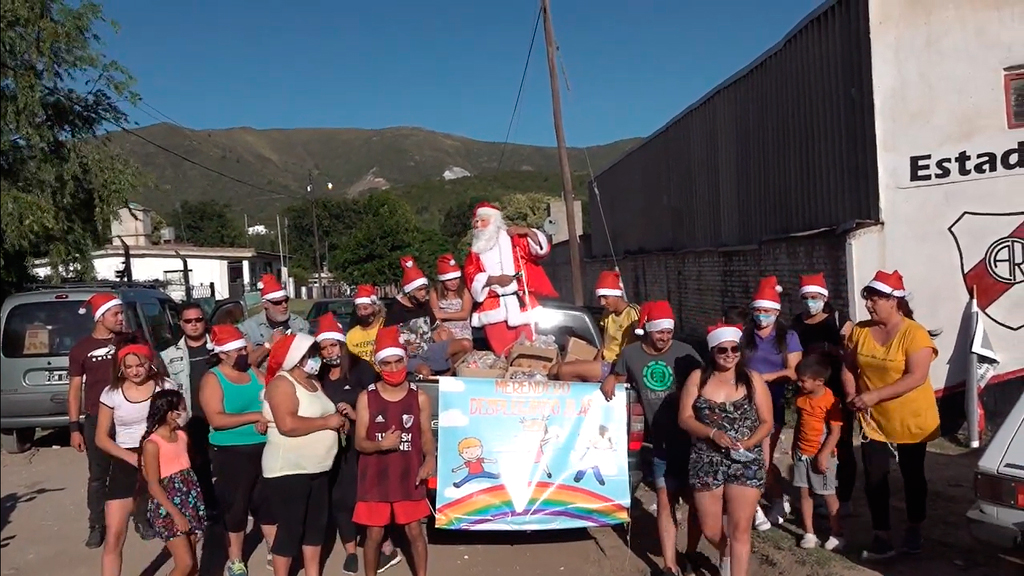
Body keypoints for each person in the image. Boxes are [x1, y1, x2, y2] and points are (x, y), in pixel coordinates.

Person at [841, 270, 940, 560]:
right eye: (868, 299)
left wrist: (872, 395)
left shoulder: (914, 333)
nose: (869, 305)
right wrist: (851, 395)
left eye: (875, 300)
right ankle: (881, 533)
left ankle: (914, 525)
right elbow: (848, 366)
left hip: (911, 417)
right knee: (874, 475)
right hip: (874, 420)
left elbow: (916, 377)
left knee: (912, 474)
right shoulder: (860, 331)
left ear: (893, 301)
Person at [600, 301, 704, 576]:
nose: (665, 338)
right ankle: (670, 565)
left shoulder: (686, 353)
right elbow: (619, 374)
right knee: (665, 499)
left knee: (696, 502)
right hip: (661, 443)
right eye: (660, 333)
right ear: (647, 330)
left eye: (669, 333)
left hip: (692, 442)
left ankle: (691, 552)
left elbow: (707, 382)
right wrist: (611, 379)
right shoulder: (630, 353)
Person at [679, 323, 774, 576]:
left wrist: (750, 443)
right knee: (711, 529)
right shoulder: (698, 378)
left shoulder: (753, 379)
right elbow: (685, 418)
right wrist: (711, 433)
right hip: (706, 460)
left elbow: (767, 422)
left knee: (740, 530)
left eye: (735, 349)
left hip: (745, 460)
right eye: (723, 350)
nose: (730, 354)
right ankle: (726, 553)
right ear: (712, 351)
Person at [314, 314, 402, 575]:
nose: (330, 351)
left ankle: (384, 546)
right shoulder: (320, 374)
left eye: (333, 345)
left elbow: (380, 403)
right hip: (334, 447)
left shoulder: (362, 369)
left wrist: (355, 415)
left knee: (365, 496)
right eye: (324, 347)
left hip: (362, 442)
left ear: (342, 344)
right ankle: (351, 551)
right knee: (340, 498)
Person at [353, 326, 435, 576]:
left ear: (406, 360)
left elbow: (426, 437)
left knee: (414, 532)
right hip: (375, 477)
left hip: (408, 475)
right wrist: (380, 445)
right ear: (378, 366)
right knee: (374, 535)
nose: (392, 368)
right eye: (386, 364)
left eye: (397, 361)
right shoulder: (366, 397)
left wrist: (430, 458)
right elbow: (359, 443)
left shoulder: (418, 397)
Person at [262, 333, 345, 576]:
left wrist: (339, 422)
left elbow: (324, 413)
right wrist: (327, 422)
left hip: (318, 468)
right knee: (290, 530)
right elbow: (287, 424)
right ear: (296, 357)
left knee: (315, 528)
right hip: (289, 469)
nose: (316, 358)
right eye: (310, 354)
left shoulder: (314, 382)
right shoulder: (282, 384)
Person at [198, 324, 277, 576]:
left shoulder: (253, 371)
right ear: (223, 353)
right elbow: (216, 419)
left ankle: (275, 551)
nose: (246, 352)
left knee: (266, 504)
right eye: (240, 349)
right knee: (236, 508)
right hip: (231, 453)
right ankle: (235, 559)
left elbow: (270, 396)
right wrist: (255, 415)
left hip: (263, 448)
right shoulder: (213, 379)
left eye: (245, 347)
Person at [94, 343, 177, 576]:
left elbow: (180, 422)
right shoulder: (111, 393)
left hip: (161, 456)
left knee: (176, 527)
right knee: (114, 535)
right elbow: (101, 437)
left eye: (139, 365)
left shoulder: (165, 387)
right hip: (126, 460)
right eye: (128, 367)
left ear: (149, 362)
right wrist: (130, 457)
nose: (134, 371)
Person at [67, 293, 133, 548]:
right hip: (97, 420)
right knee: (98, 476)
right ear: (100, 317)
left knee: (135, 468)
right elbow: (74, 391)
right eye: (115, 314)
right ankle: (97, 524)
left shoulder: (129, 341)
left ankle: (140, 517)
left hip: (129, 417)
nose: (121, 318)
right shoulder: (81, 349)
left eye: (121, 313)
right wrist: (75, 428)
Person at [790, 273, 856, 515]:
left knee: (842, 442)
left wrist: (834, 350)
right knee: (810, 441)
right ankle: (816, 491)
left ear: (824, 297)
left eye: (814, 297)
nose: (810, 302)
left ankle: (844, 497)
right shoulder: (797, 323)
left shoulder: (838, 319)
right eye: (806, 298)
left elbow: (853, 351)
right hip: (809, 393)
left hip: (838, 391)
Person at [742, 276, 802, 529]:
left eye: (765, 311)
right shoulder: (745, 335)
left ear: (776, 312)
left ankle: (772, 499)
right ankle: (759, 504)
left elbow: (794, 371)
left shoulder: (787, 337)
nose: (760, 316)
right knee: (746, 455)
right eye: (757, 311)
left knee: (763, 460)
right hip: (744, 404)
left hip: (772, 404)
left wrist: (765, 378)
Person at [462, 201, 558, 355]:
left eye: (482, 220)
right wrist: (494, 280)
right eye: (476, 222)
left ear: (493, 220)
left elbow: (541, 251)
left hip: (521, 304)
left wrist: (527, 231)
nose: (478, 225)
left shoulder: (513, 240)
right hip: (494, 308)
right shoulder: (475, 251)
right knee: (502, 354)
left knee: (528, 352)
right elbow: (471, 275)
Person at [141, 389, 208, 576]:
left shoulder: (182, 436)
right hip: (168, 509)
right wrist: (177, 515)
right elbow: (153, 485)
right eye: (181, 408)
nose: (184, 412)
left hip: (189, 502)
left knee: (192, 566)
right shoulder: (152, 444)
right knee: (184, 564)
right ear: (169, 413)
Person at [160, 302, 216, 513]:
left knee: (225, 468)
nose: (194, 325)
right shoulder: (168, 355)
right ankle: (206, 509)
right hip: (191, 420)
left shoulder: (220, 348)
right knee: (197, 467)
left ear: (205, 321)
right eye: (188, 321)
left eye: (198, 320)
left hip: (220, 416)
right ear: (180, 324)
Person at [791, 355, 844, 551]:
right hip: (801, 453)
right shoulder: (801, 399)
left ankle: (837, 532)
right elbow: (799, 424)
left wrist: (823, 455)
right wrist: (794, 447)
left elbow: (835, 432)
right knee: (805, 493)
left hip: (821, 456)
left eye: (803, 380)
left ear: (819, 381)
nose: (799, 383)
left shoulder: (831, 402)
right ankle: (809, 532)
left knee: (828, 493)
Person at [385, 256, 469, 376]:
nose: (424, 294)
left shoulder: (424, 304)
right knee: (424, 371)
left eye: (425, 289)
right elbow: (387, 338)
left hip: (429, 348)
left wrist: (444, 350)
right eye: (420, 290)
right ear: (409, 292)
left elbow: (434, 329)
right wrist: (405, 348)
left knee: (465, 344)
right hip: (409, 354)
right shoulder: (395, 309)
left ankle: (447, 377)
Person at [556, 270, 640, 382]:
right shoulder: (608, 313)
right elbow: (604, 345)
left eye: (605, 297)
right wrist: (596, 362)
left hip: (618, 366)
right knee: (554, 370)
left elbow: (641, 343)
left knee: (564, 370)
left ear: (616, 295)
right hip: (605, 363)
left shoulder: (632, 312)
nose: (602, 303)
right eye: (600, 298)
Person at [239, 273, 311, 369]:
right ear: (265, 304)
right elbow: (244, 365)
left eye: (286, 301)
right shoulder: (249, 328)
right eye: (278, 303)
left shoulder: (299, 323)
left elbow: (311, 355)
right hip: (265, 381)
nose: (284, 305)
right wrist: (268, 345)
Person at [429, 253, 474, 363]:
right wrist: (442, 326)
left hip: (462, 329)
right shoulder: (434, 292)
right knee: (442, 337)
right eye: (450, 280)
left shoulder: (463, 291)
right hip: (445, 328)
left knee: (463, 348)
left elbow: (464, 314)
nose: (454, 283)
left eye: (456, 279)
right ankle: (446, 367)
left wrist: (443, 315)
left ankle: (455, 368)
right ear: (443, 280)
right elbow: (435, 316)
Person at [346, 284, 386, 365]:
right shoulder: (352, 335)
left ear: (376, 308)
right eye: (358, 309)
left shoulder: (386, 326)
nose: (362, 313)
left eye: (365, 308)